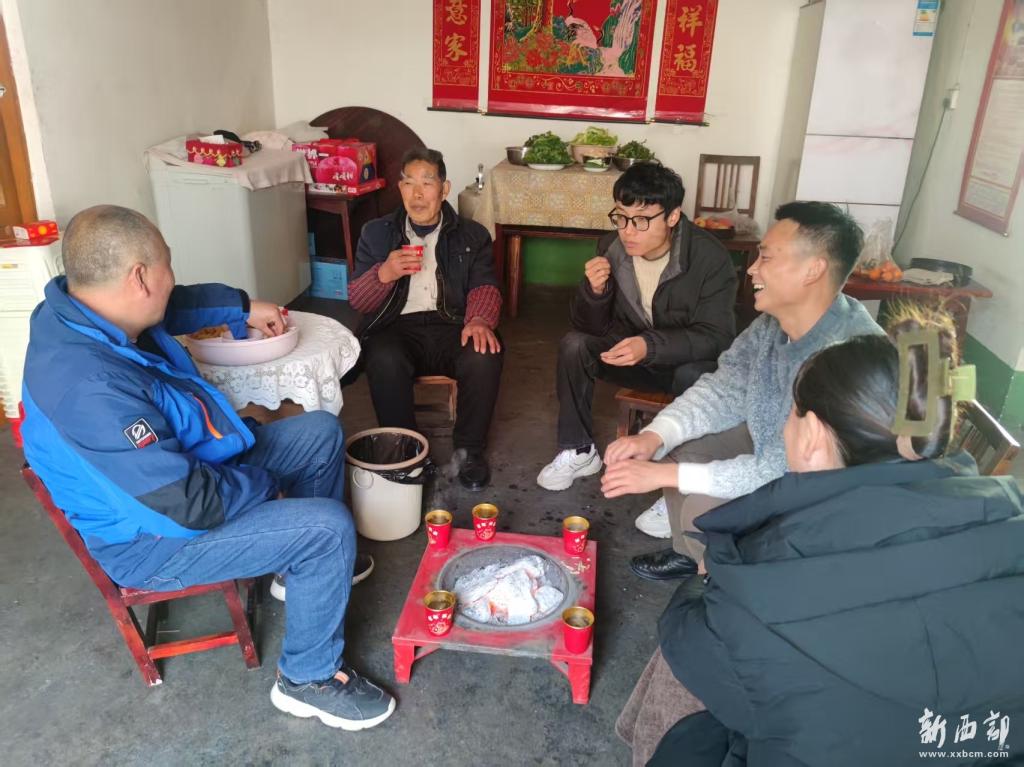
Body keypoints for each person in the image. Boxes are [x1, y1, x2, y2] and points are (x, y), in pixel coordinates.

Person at [20, 205, 395, 731]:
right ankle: (307, 678)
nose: (173, 278)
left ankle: (300, 575)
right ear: (139, 278)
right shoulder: (88, 388)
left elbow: (176, 305)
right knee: (328, 529)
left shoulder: (85, 307)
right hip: (151, 539)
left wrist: (244, 307)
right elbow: (189, 504)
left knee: (318, 432)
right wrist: (265, 485)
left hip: (184, 473)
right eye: (167, 266)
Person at [636, 315, 1024, 767]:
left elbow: (689, 639)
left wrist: (704, 578)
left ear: (814, 435)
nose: (785, 428)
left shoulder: (765, 580)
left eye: (792, 413)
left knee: (690, 737)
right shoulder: (1008, 516)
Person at [602, 201, 883, 579]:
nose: (751, 268)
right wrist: (655, 435)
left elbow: (784, 473)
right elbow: (725, 388)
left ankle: (723, 580)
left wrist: (668, 476)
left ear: (813, 270)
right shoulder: (772, 324)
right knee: (677, 448)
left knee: (702, 508)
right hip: (772, 446)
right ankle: (692, 557)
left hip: (824, 503)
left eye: (765, 257)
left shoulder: (844, 357)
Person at [536, 163, 737, 491]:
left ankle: (684, 471)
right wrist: (595, 293)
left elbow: (718, 337)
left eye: (642, 220)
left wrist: (649, 345)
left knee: (697, 374)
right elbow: (590, 327)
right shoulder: (611, 249)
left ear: (672, 216)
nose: (628, 231)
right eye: (621, 217)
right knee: (575, 345)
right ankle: (579, 450)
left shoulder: (709, 258)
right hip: (631, 357)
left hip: (681, 365)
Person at [348, 147, 503, 491]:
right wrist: (384, 274)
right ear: (400, 188)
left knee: (484, 351)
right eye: (408, 183)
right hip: (396, 327)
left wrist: (479, 319)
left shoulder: (472, 235)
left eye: (427, 183)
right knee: (383, 356)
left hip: (452, 324)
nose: (417, 193)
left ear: (444, 189)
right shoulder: (376, 233)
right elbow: (358, 299)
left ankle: (469, 452)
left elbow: (485, 286)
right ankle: (407, 452)